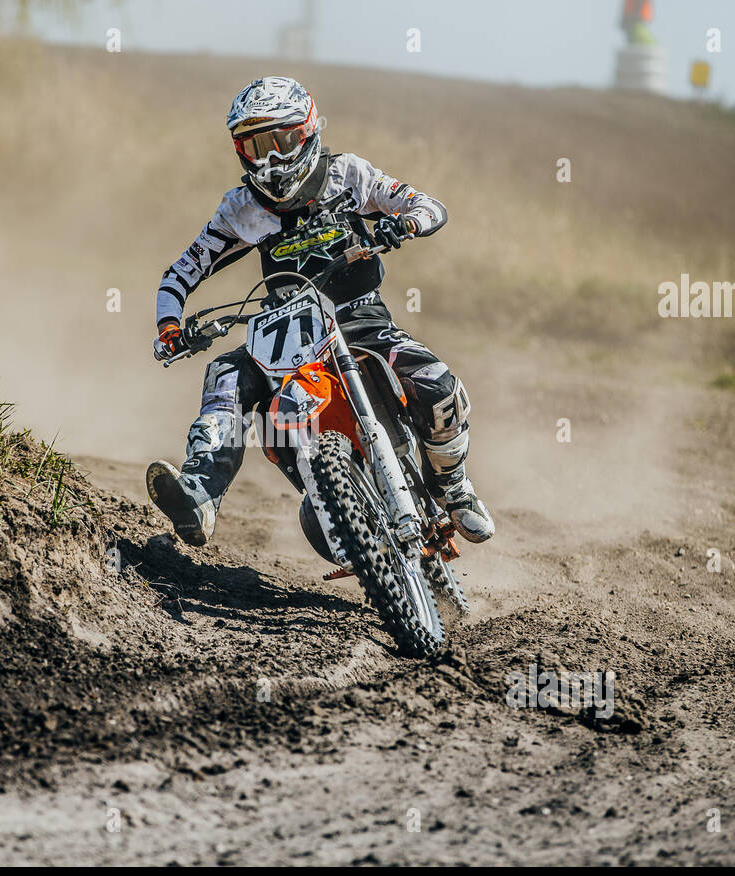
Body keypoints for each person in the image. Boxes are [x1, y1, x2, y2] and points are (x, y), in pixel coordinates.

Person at [147, 75, 494, 550]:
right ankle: (199, 495)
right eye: (253, 146)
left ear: (306, 131)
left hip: (360, 318)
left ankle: (454, 487)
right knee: (224, 376)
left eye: (279, 140)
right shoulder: (241, 208)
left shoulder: (347, 174)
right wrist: (171, 326)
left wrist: (404, 222)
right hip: (284, 331)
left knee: (437, 383)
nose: (268, 158)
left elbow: (427, 204)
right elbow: (179, 274)